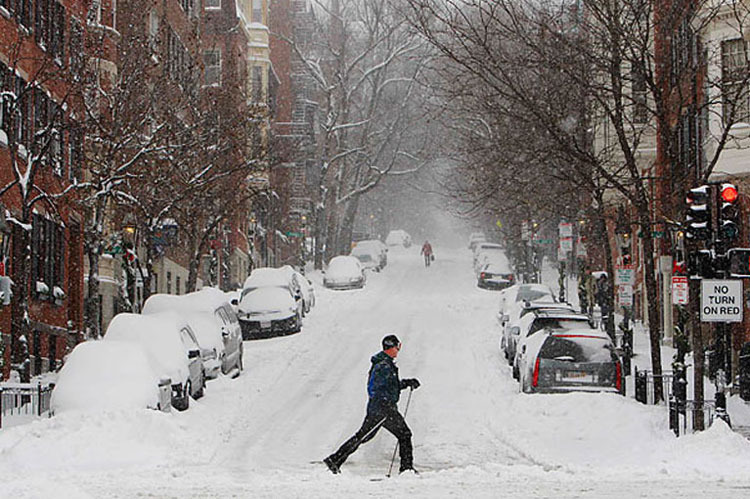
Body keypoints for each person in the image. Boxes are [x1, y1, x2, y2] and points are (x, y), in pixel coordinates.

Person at [324, 335, 421, 475]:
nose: (398, 350)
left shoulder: (386, 363)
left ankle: (407, 468)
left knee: (401, 434)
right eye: (397, 347)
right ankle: (334, 459)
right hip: (381, 409)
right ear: (390, 347)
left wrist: (406, 383)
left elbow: (390, 386)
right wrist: (385, 404)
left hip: (384, 408)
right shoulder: (383, 366)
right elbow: (374, 388)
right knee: (365, 436)